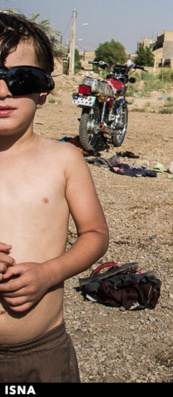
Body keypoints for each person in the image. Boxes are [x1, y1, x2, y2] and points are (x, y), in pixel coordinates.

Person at [0, 13, 109, 382]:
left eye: (20, 79)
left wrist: (49, 273)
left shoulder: (64, 159)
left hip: (41, 352)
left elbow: (95, 234)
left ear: (43, 88)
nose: (3, 91)